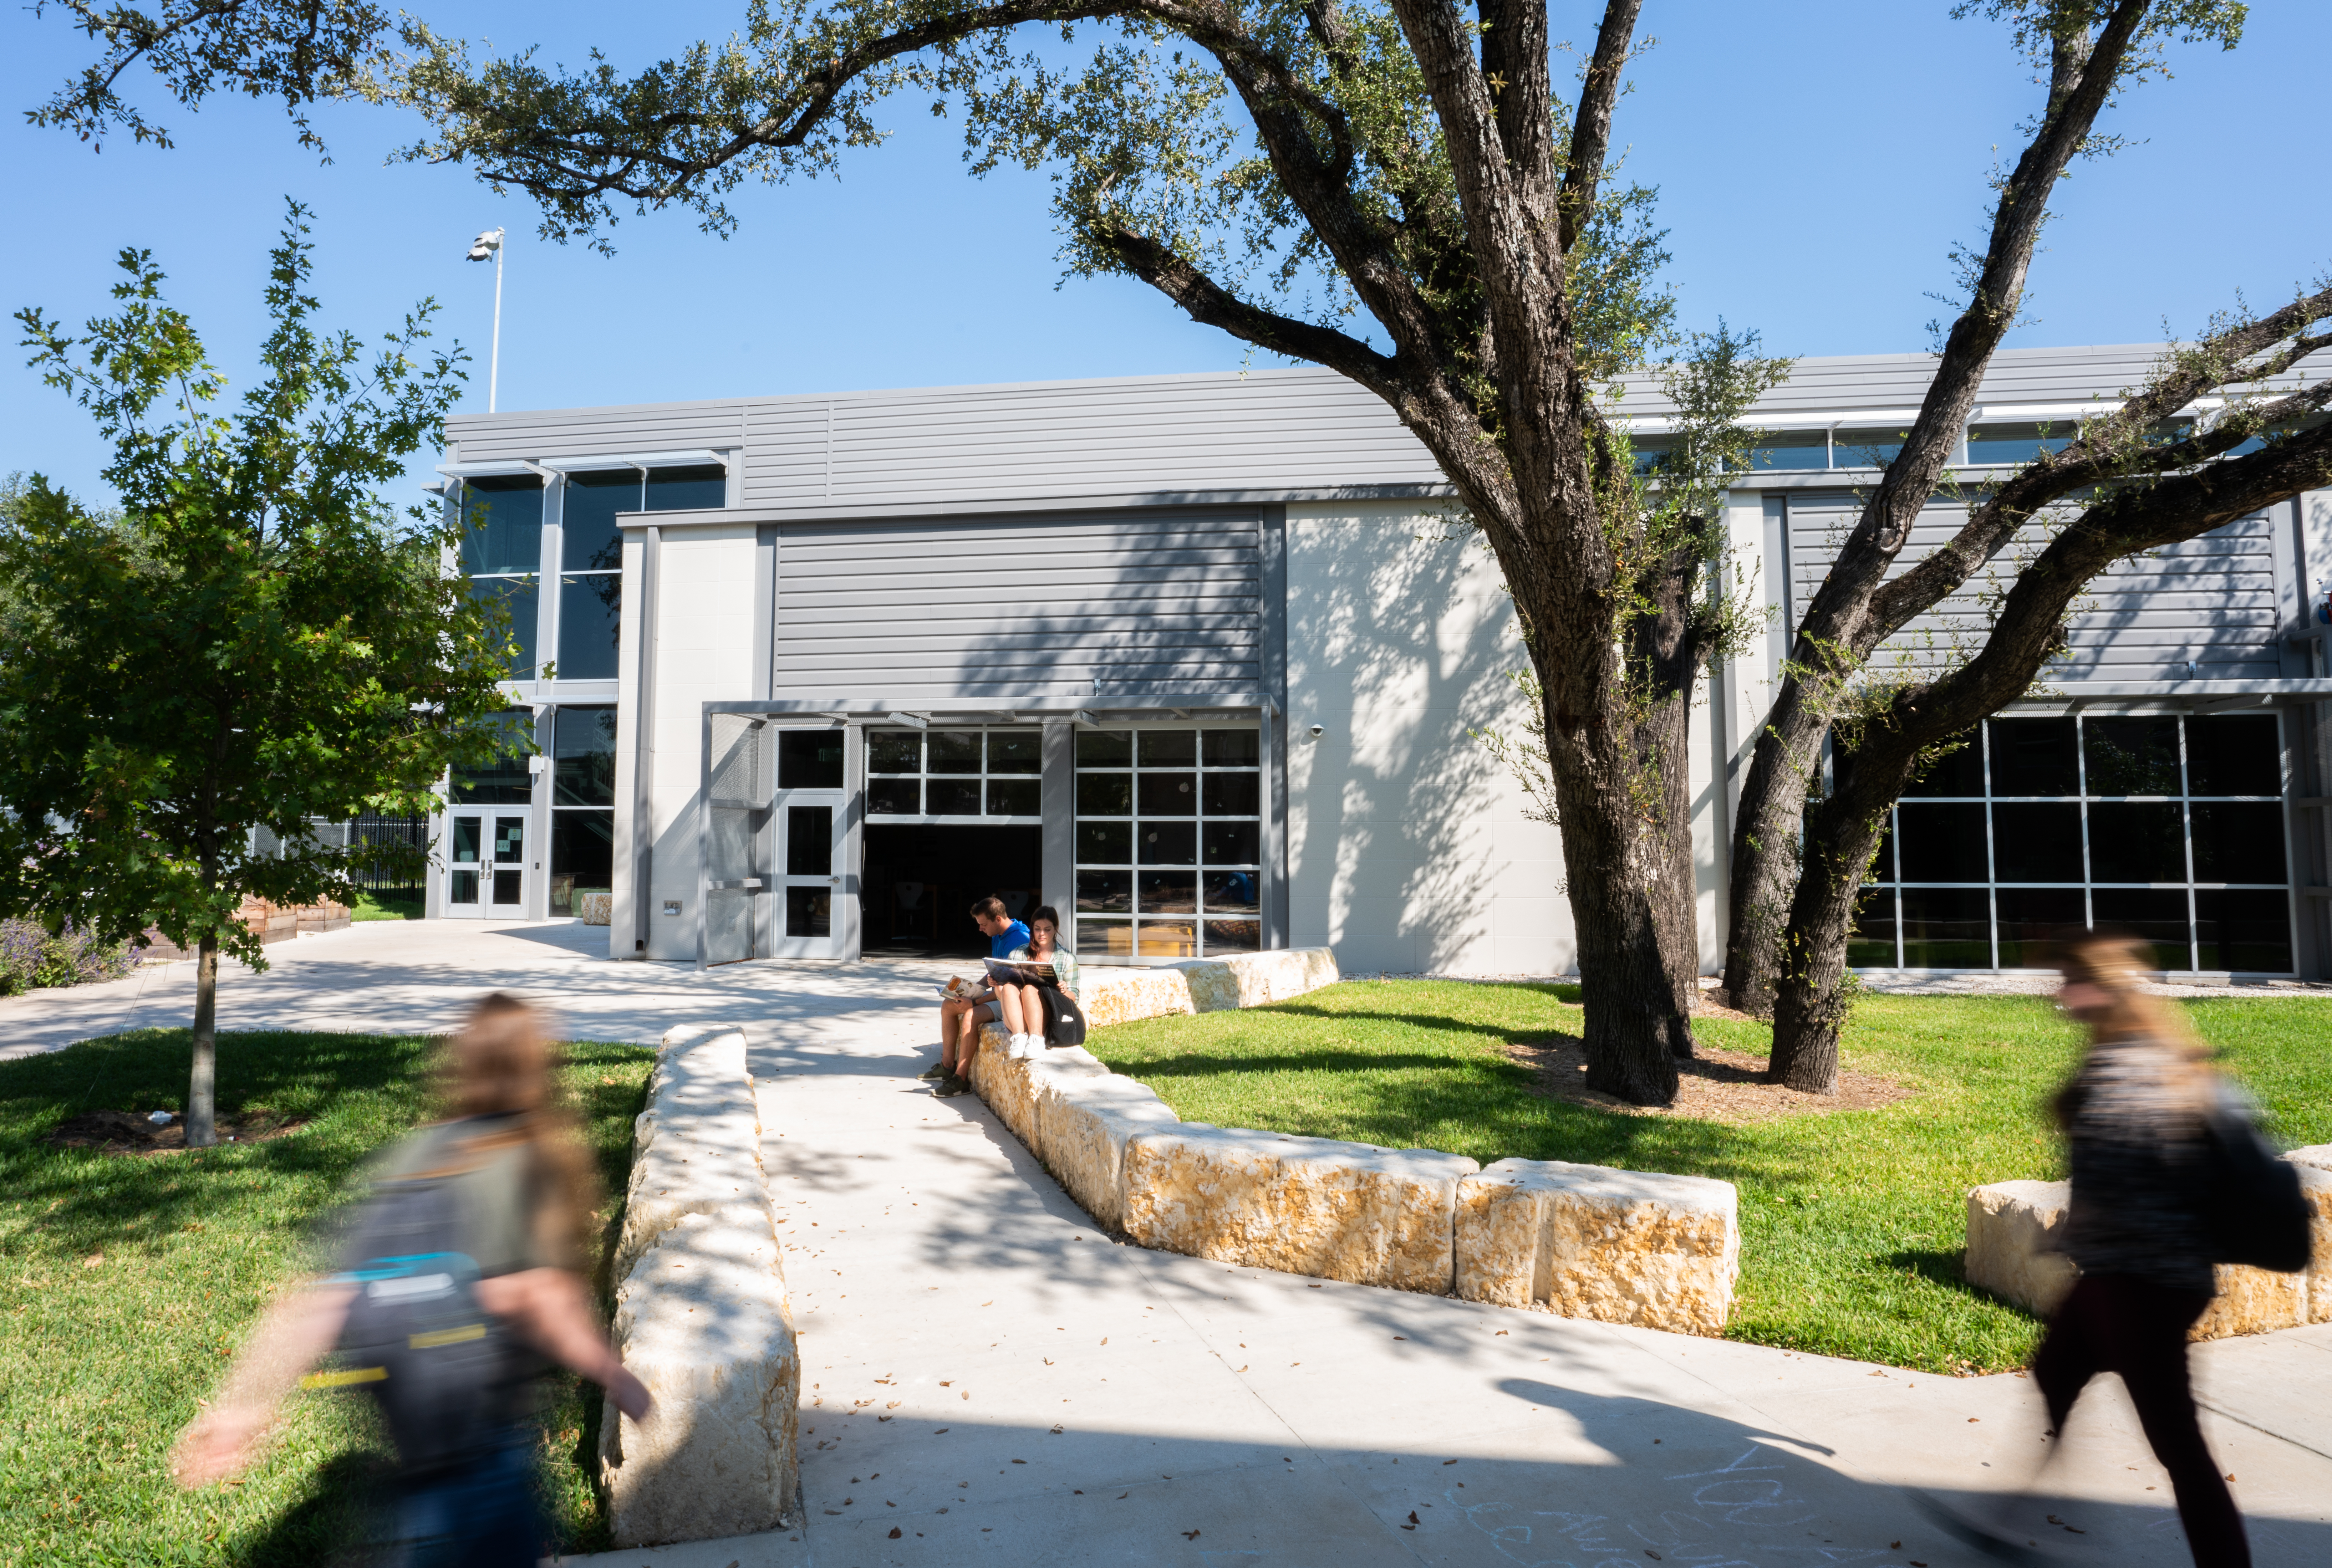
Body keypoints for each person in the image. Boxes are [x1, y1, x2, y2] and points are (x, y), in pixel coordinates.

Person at [172, 994, 652, 1566]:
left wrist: (241, 1410)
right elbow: (534, 1296)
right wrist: (611, 1373)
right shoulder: (529, 1158)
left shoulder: (417, 1155)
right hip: (487, 1438)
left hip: (410, 1437)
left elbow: (328, 1298)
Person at [2024, 930, 2250, 1567]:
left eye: (2068, 979)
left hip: (2136, 1283)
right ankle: (2015, 1517)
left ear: (2098, 989)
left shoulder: (2124, 1065)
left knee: (2176, 1442)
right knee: (2055, 1371)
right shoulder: (2143, 1050)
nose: (2058, 991)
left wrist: (2079, 1232)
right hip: (2142, 1276)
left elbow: (2129, 1172)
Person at [926, 896, 1032, 1096]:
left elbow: (1012, 987)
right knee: (949, 1006)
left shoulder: (1019, 940)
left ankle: (961, 1079)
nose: (980, 929)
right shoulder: (999, 934)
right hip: (1000, 993)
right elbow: (996, 973)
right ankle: (947, 1066)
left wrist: (974, 1002)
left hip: (1014, 1001)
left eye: (983, 924)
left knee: (970, 1016)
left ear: (998, 919)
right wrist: (973, 989)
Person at [991, 905, 1082, 1059]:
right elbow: (1002, 995)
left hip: (1048, 1017)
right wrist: (996, 985)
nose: (1042, 934)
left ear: (1056, 929)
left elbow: (1075, 998)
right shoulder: (1018, 953)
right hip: (1016, 1017)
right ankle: (1019, 1037)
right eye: (1037, 929)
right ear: (1032, 928)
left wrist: (1064, 991)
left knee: (1030, 989)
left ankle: (1036, 1038)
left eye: (1047, 929)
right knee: (1008, 986)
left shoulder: (1067, 958)